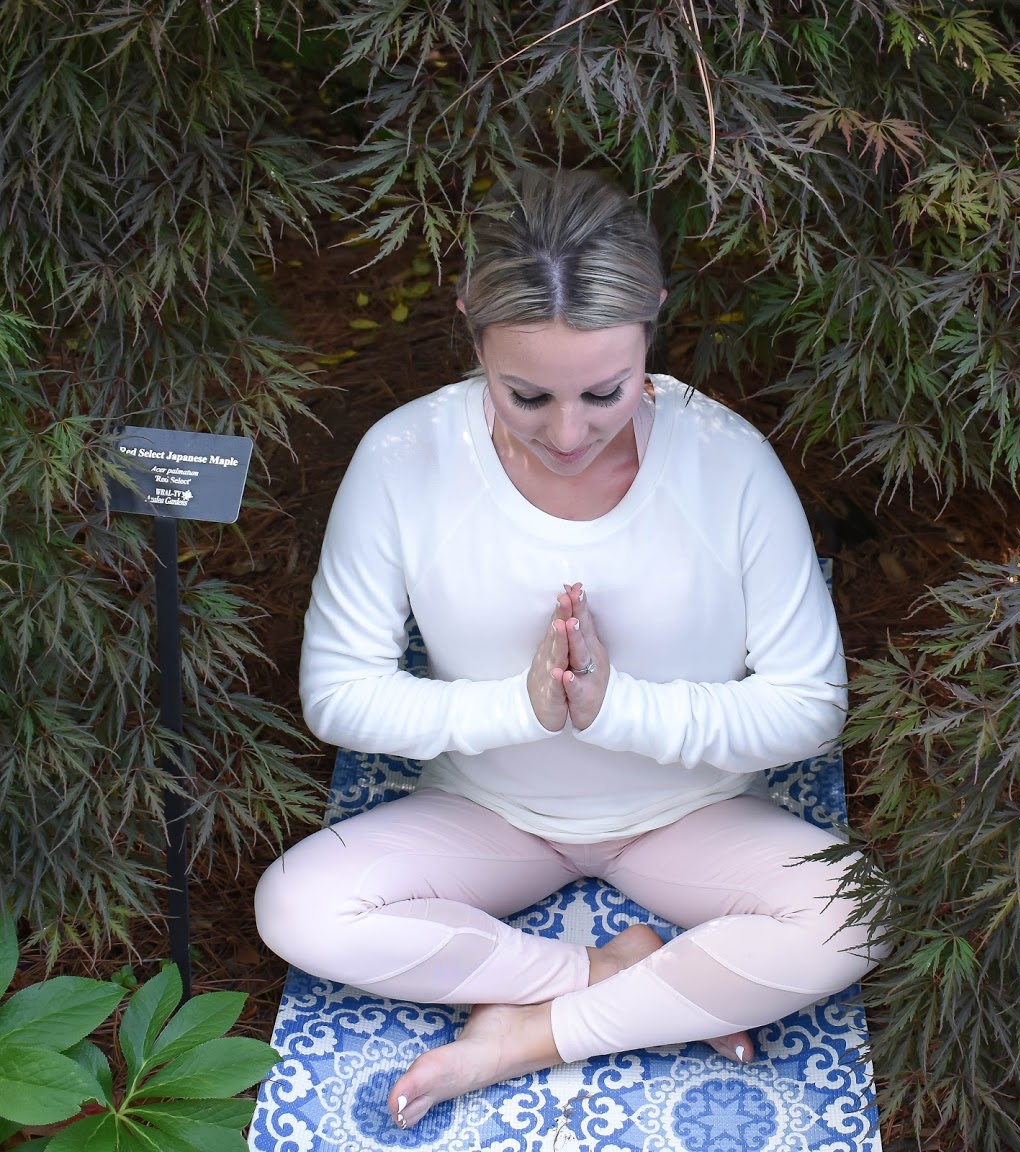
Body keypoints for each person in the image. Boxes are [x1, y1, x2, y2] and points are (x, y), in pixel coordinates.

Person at [254, 167, 884, 1131]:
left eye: (605, 391)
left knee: (858, 911)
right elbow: (340, 694)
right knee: (297, 907)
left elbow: (809, 705)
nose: (568, 432)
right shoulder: (402, 457)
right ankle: (611, 977)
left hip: (692, 816)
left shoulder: (727, 460)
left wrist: (615, 707)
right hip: (490, 809)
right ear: (470, 323)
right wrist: (525, 709)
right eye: (526, 395)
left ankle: (530, 1035)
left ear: (653, 327)